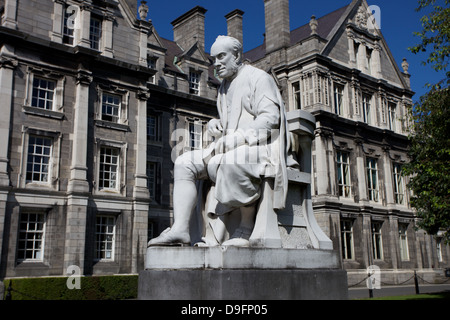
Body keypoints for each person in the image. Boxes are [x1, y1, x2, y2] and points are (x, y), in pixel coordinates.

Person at [148, 35, 291, 247]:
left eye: (222, 57)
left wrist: (238, 138)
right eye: (214, 59)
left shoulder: (259, 78)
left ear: (237, 55)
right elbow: (232, 120)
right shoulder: (223, 87)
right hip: (230, 146)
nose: (217, 64)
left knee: (230, 161)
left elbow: (270, 118)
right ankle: (180, 229)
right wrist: (216, 124)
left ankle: (245, 228)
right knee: (184, 163)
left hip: (261, 145)